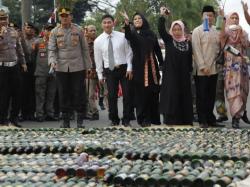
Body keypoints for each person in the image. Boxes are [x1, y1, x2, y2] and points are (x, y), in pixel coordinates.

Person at [48, 7, 91, 128]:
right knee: (63, 93)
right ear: (60, 17)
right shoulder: (55, 32)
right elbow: (52, 49)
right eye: (62, 16)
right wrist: (52, 61)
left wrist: (88, 67)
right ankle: (65, 120)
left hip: (77, 66)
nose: (64, 18)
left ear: (70, 16)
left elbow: (85, 49)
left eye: (66, 15)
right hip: (61, 67)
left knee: (78, 93)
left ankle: (79, 120)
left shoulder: (78, 30)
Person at [121, 11, 163, 126]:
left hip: (151, 67)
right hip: (139, 67)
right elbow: (128, 35)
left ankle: (153, 118)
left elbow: (157, 50)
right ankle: (143, 119)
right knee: (141, 94)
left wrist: (162, 63)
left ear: (143, 20)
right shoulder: (133, 34)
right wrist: (127, 23)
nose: (137, 20)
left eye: (139, 18)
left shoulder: (150, 33)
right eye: (135, 19)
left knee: (152, 93)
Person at [94, 14, 133, 126]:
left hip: (124, 68)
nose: (107, 24)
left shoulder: (122, 36)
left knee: (127, 95)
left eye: (109, 22)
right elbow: (98, 59)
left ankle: (126, 120)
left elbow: (129, 52)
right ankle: (114, 119)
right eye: (105, 22)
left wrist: (130, 67)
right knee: (112, 96)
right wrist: (100, 75)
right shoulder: (98, 41)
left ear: (113, 23)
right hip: (109, 70)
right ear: (102, 25)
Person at [158, 7, 193, 125]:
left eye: (179, 29)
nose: (177, 32)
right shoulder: (169, 41)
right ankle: (171, 119)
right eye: (175, 29)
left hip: (183, 75)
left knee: (183, 96)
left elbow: (189, 60)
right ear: (172, 30)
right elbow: (161, 30)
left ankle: (184, 119)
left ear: (183, 30)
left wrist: (190, 72)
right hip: (171, 75)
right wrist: (162, 17)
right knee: (171, 96)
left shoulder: (187, 43)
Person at [192, 5, 224, 128]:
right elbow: (196, 49)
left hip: (214, 69)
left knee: (211, 95)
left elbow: (220, 47)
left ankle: (211, 119)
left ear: (214, 17)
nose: (209, 17)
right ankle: (202, 120)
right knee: (201, 95)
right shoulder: (197, 31)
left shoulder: (217, 30)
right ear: (202, 16)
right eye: (206, 15)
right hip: (202, 70)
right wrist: (202, 66)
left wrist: (222, 17)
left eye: (211, 15)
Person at [221, 11, 250, 128]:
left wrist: (242, 34)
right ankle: (235, 117)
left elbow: (246, 45)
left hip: (242, 67)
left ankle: (242, 113)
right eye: (232, 17)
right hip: (230, 67)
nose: (234, 19)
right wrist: (221, 18)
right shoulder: (225, 32)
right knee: (233, 92)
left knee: (243, 92)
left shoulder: (243, 32)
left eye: (236, 17)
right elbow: (223, 44)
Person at [0, 7, 27, 127]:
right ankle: (2, 120)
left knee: (17, 93)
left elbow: (19, 48)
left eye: (5, 18)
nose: (3, 21)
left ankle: (14, 118)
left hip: (15, 66)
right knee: (3, 95)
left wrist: (23, 62)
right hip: (2, 67)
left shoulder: (13, 31)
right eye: (0, 19)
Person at [34, 23, 57, 122]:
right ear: (44, 30)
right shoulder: (38, 42)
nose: (50, 31)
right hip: (41, 73)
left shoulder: (57, 42)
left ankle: (50, 114)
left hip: (53, 73)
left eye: (52, 29)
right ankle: (39, 114)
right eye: (48, 29)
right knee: (40, 95)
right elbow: (32, 54)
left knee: (51, 95)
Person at [19, 22, 37, 121]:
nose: (29, 29)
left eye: (31, 28)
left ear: (34, 30)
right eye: (27, 28)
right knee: (23, 91)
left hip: (34, 67)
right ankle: (23, 113)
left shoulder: (37, 41)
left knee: (32, 91)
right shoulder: (20, 41)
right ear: (24, 29)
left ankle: (31, 113)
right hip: (23, 67)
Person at [85, 25, 99, 120]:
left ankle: (112, 113)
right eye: (91, 31)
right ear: (87, 32)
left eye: (94, 30)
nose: (93, 32)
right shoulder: (84, 43)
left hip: (102, 71)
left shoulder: (100, 41)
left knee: (107, 94)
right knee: (89, 94)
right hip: (90, 72)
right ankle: (94, 112)